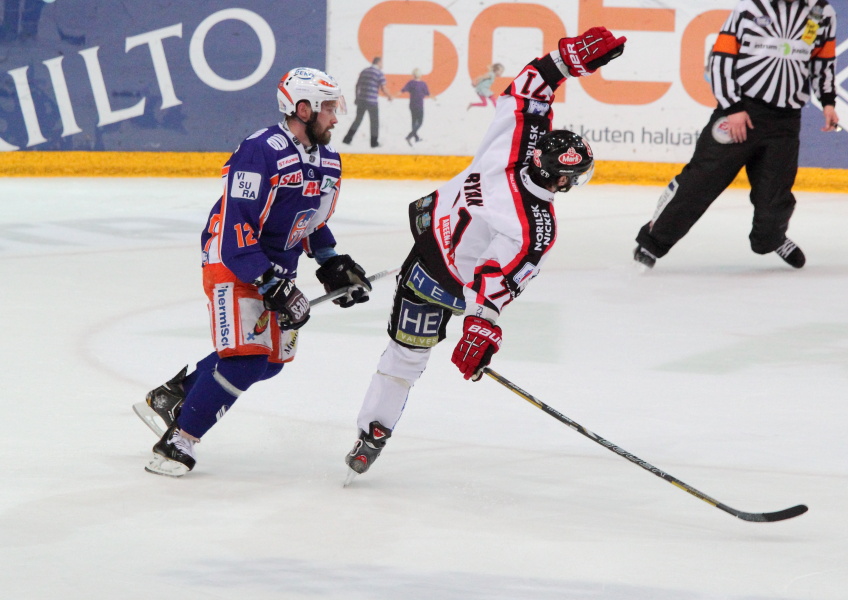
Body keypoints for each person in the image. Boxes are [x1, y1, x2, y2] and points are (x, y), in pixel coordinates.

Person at [343, 27, 627, 478]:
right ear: (559, 179)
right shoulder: (535, 226)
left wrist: (568, 60)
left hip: (425, 252)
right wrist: (480, 327)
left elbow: (532, 84)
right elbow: (493, 279)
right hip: (452, 285)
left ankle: (373, 430)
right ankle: (375, 428)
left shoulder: (516, 142)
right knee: (413, 352)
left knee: (405, 356)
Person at [134, 67, 373, 477]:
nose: (336, 117)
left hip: (275, 267)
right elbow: (236, 225)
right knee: (246, 358)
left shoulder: (329, 160)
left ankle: (175, 396)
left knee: (271, 361)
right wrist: (269, 283)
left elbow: (310, 221)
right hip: (231, 259)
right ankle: (177, 442)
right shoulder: (259, 150)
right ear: (302, 108)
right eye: (329, 108)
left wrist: (331, 260)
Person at [633, 0, 840, 270]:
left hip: (785, 121)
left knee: (775, 196)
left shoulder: (822, 11)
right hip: (741, 111)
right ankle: (652, 241)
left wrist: (828, 101)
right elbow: (721, 58)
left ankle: (772, 238)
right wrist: (733, 108)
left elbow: (822, 62)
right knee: (700, 182)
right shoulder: (751, 7)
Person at [342, 57, 393, 148]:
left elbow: (357, 85)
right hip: (372, 101)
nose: (382, 65)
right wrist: (390, 96)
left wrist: (357, 97)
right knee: (374, 122)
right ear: (378, 62)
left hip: (361, 100)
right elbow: (384, 88)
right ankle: (374, 143)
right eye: (382, 63)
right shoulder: (379, 73)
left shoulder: (364, 71)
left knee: (358, 120)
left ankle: (347, 139)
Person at [401, 68, 430, 145]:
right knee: (420, 122)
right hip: (419, 105)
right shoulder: (423, 84)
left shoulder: (411, 83)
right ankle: (409, 136)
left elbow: (403, 90)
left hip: (412, 105)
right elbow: (427, 93)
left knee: (414, 121)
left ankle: (416, 138)